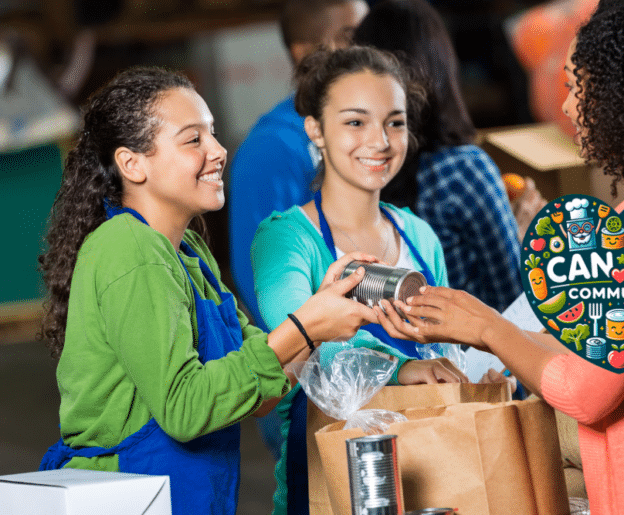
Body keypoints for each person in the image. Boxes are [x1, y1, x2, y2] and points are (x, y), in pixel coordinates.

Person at [378, 0, 624, 513]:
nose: (565, 109)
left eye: (575, 88)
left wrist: (487, 330)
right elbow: (615, 355)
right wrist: (481, 325)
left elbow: (588, 393)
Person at [36, 66, 384, 515]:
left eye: (213, 134)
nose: (218, 151)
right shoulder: (129, 249)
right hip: (129, 498)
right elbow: (185, 410)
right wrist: (304, 325)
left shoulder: (187, 252)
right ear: (132, 163)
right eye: (193, 139)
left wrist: (320, 317)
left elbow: (262, 394)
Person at [251, 46, 468, 515]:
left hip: (433, 476)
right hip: (331, 482)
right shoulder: (287, 240)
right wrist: (401, 371)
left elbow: (445, 346)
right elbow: (296, 341)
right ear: (316, 130)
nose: (381, 141)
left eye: (395, 122)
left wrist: (472, 375)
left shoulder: (420, 236)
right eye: (355, 122)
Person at [228, 0, 369, 461]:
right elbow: (267, 285)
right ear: (304, 51)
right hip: (312, 379)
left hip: (365, 367)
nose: (366, 45)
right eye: (350, 33)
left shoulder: (361, 132)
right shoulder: (271, 149)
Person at [353, 0, 535, 313]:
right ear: (441, 67)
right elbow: (513, 301)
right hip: (468, 357)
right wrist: (525, 235)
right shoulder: (461, 170)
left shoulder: (348, 170)